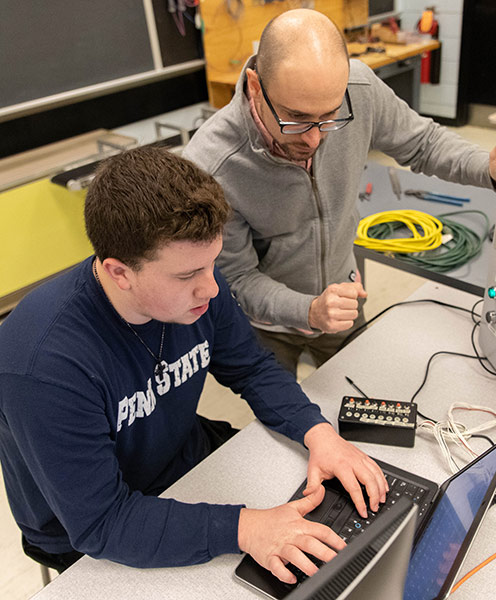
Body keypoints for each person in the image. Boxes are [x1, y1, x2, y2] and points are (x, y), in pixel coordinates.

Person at [0, 147, 388, 584]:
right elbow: (102, 524)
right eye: (186, 276)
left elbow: (251, 368)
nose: (210, 288)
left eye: (212, 264)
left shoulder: (201, 284)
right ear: (119, 272)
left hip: (183, 457)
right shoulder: (41, 364)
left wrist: (319, 434)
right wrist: (247, 527)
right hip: (86, 529)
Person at [183, 8, 496, 375]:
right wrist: (307, 310)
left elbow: (423, 143)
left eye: (329, 115)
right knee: (283, 419)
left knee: (362, 390)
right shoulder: (210, 168)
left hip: (343, 298)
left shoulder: (359, 88)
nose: (314, 138)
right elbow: (238, 278)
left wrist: (488, 167)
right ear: (256, 86)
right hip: (265, 327)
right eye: (297, 119)